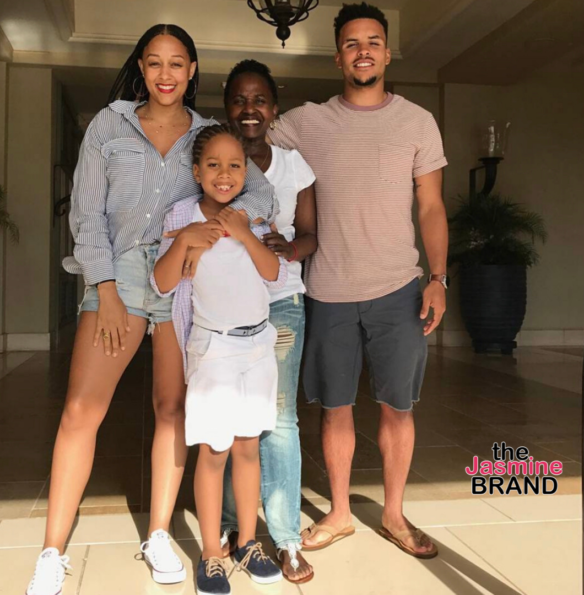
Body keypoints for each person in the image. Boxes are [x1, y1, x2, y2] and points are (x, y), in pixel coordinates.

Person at [25, 25, 276, 595]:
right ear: (141, 67)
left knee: (172, 409)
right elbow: (87, 214)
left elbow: (259, 194)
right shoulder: (109, 126)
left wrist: (211, 230)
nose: (166, 74)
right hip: (119, 276)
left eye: (177, 63)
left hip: (181, 278)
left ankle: (159, 534)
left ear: (192, 71)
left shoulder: (206, 135)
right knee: (81, 409)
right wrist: (107, 289)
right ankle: (51, 551)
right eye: (155, 62)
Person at [268, 2, 448, 559]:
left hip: (399, 288)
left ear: (387, 53)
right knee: (335, 406)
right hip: (328, 290)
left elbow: (431, 207)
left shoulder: (417, 121)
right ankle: (341, 513)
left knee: (398, 406)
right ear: (338, 57)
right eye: (351, 43)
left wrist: (439, 278)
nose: (362, 51)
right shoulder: (305, 122)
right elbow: (247, 143)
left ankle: (393, 515)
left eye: (372, 41)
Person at [152, 124, 284, 595]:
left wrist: (244, 232)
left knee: (248, 447)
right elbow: (162, 283)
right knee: (214, 452)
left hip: (258, 347)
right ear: (196, 172)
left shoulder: (253, 219)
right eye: (213, 165)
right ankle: (211, 552)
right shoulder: (182, 216)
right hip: (213, 350)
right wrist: (188, 239)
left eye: (234, 165)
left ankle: (247, 542)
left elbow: (272, 272)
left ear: (246, 172)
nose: (224, 174)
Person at [217, 59, 317, 584]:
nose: (249, 109)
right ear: (226, 107)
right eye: (239, 99)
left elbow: (311, 234)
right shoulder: (215, 159)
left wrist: (289, 248)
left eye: (259, 100)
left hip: (280, 303)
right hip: (224, 305)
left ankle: (286, 538)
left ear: (274, 109)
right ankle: (232, 525)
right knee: (227, 414)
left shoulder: (294, 166)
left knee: (278, 418)